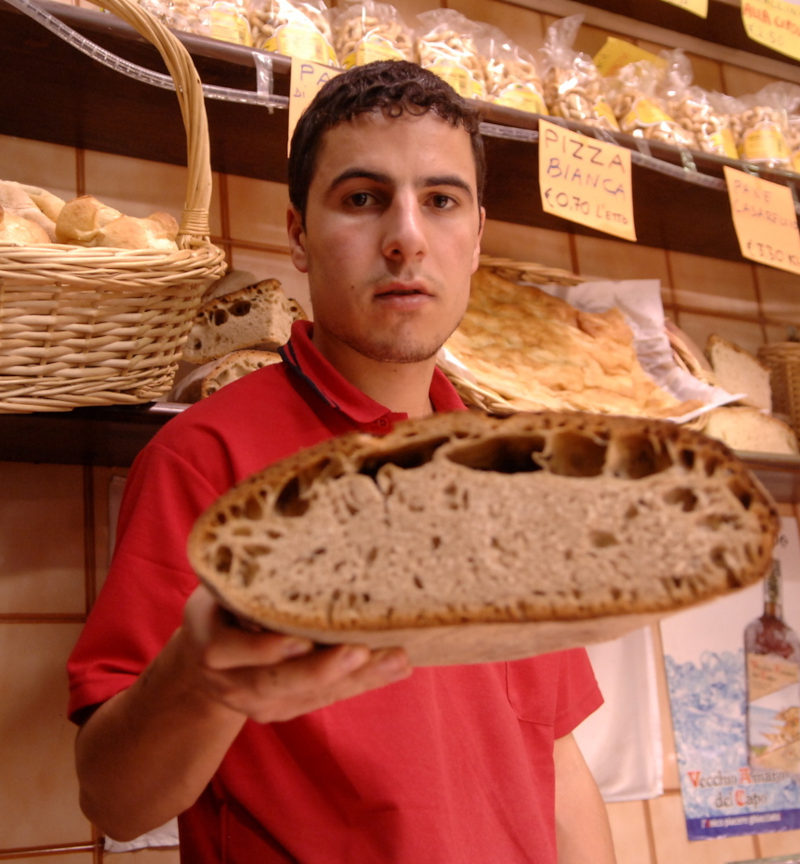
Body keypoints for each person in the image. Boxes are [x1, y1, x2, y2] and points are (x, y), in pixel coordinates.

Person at [67, 59, 615, 863]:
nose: (406, 237)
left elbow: (555, 761)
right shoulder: (204, 460)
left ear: (476, 239)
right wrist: (207, 675)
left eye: (440, 201)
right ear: (297, 234)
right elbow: (113, 798)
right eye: (363, 199)